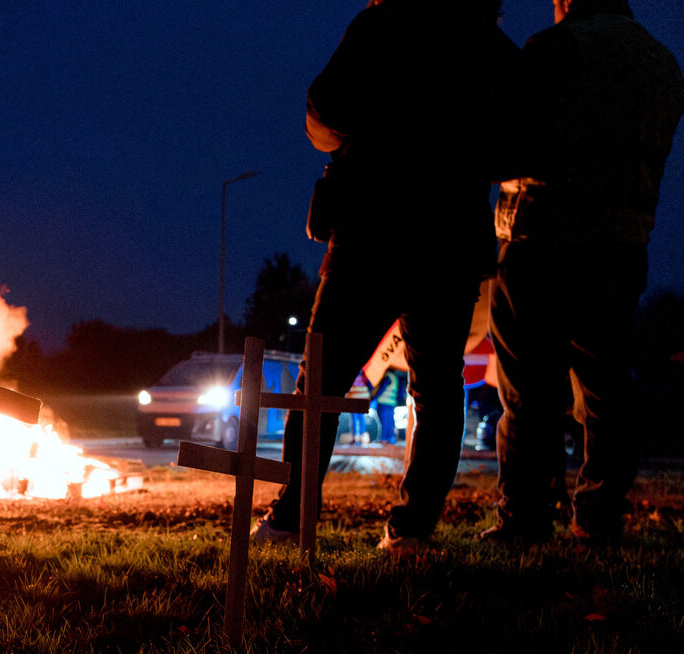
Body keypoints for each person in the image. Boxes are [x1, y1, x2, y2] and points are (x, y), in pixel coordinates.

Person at [250, 0, 517, 553]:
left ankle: (291, 518)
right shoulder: (487, 45)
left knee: (321, 380)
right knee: (437, 386)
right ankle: (412, 528)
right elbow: (520, 140)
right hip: (451, 239)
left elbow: (324, 107)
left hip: (371, 231)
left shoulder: (383, 24)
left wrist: (367, 137)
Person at [482, 0, 684, 544]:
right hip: (623, 244)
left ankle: (525, 516)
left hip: (542, 239)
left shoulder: (559, 47)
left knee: (528, 388)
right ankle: (598, 515)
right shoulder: (662, 62)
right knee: (607, 387)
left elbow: (507, 144)